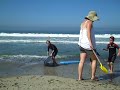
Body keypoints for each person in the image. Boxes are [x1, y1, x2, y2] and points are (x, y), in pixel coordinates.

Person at [78, 11, 99, 80]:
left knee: (81, 61)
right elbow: (88, 34)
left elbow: (82, 34)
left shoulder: (82, 23)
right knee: (94, 60)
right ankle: (93, 77)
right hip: (88, 45)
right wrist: (91, 43)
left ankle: (79, 77)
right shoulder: (89, 22)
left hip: (82, 44)